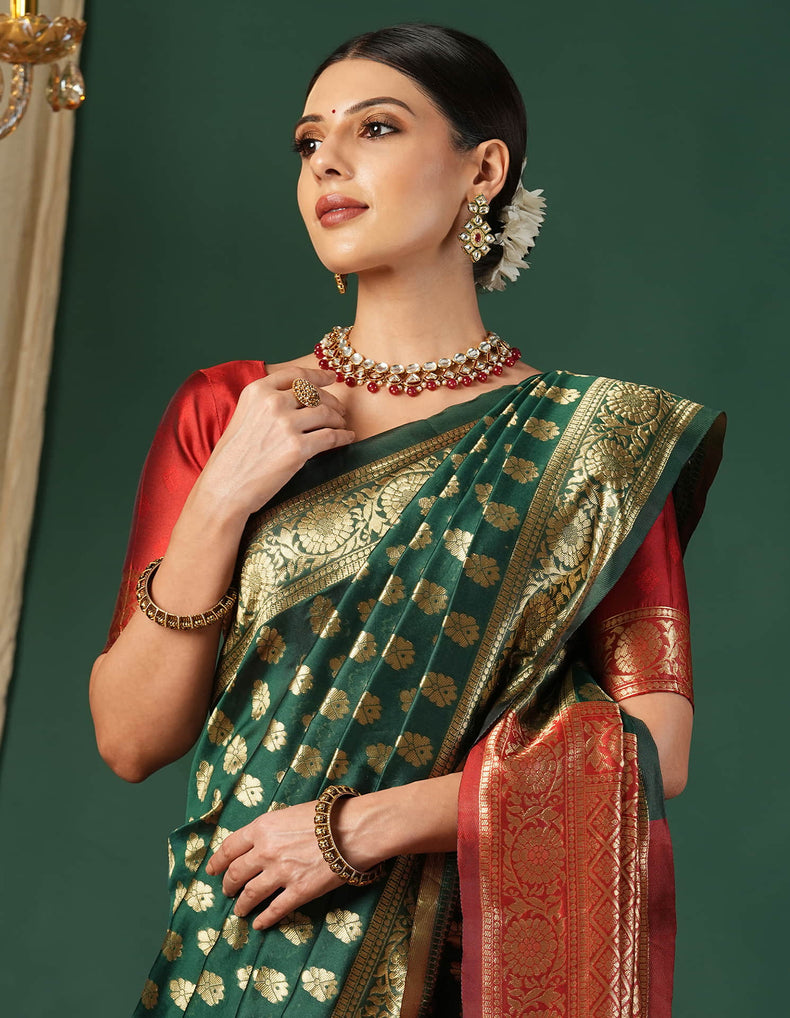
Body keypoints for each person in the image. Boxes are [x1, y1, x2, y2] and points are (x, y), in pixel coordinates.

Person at [89, 23, 725, 1018]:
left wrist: (356, 827)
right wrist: (221, 496)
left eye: (374, 128)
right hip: (239, 960)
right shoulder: (226, 410)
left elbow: (651, 751)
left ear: (482, 170)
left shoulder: (592, 445)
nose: (328, 163)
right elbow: (128, 738)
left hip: (456, 965)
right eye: (307, 143)